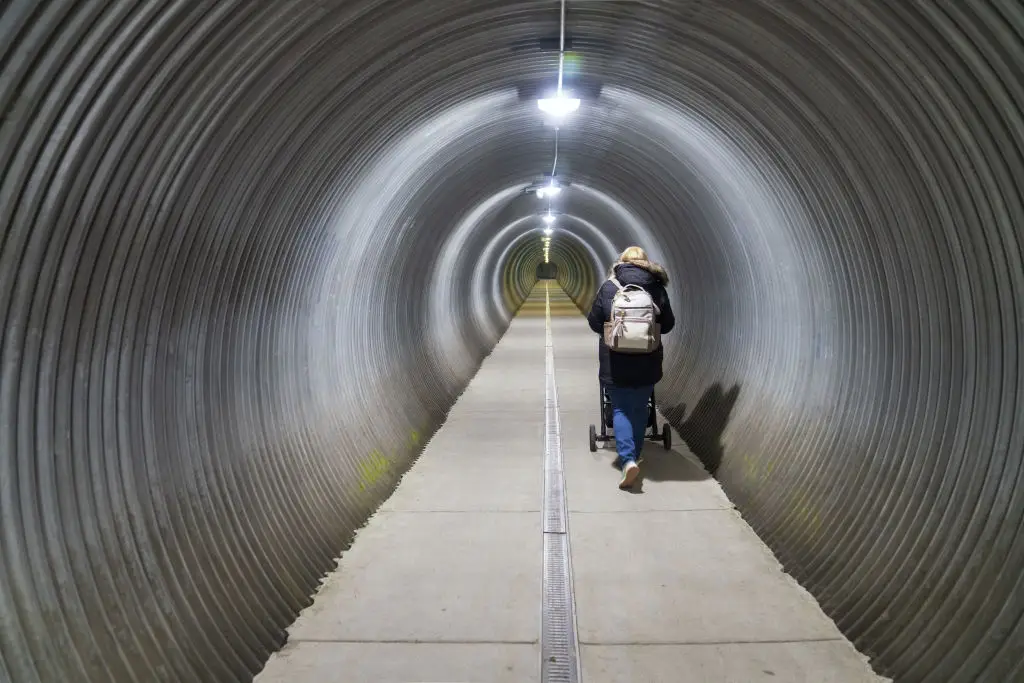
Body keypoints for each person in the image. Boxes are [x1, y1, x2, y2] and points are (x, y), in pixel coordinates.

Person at [587, 246, 675, 489]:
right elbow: (668, 324)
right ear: (647, 263)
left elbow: (594, 321)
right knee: (639, 407)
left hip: (615, 361)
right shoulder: (656, 287)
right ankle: (634, 456)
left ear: (621, 262)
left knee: (621, 409)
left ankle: (628, 460)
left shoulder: (609, 287)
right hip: (648, 360)